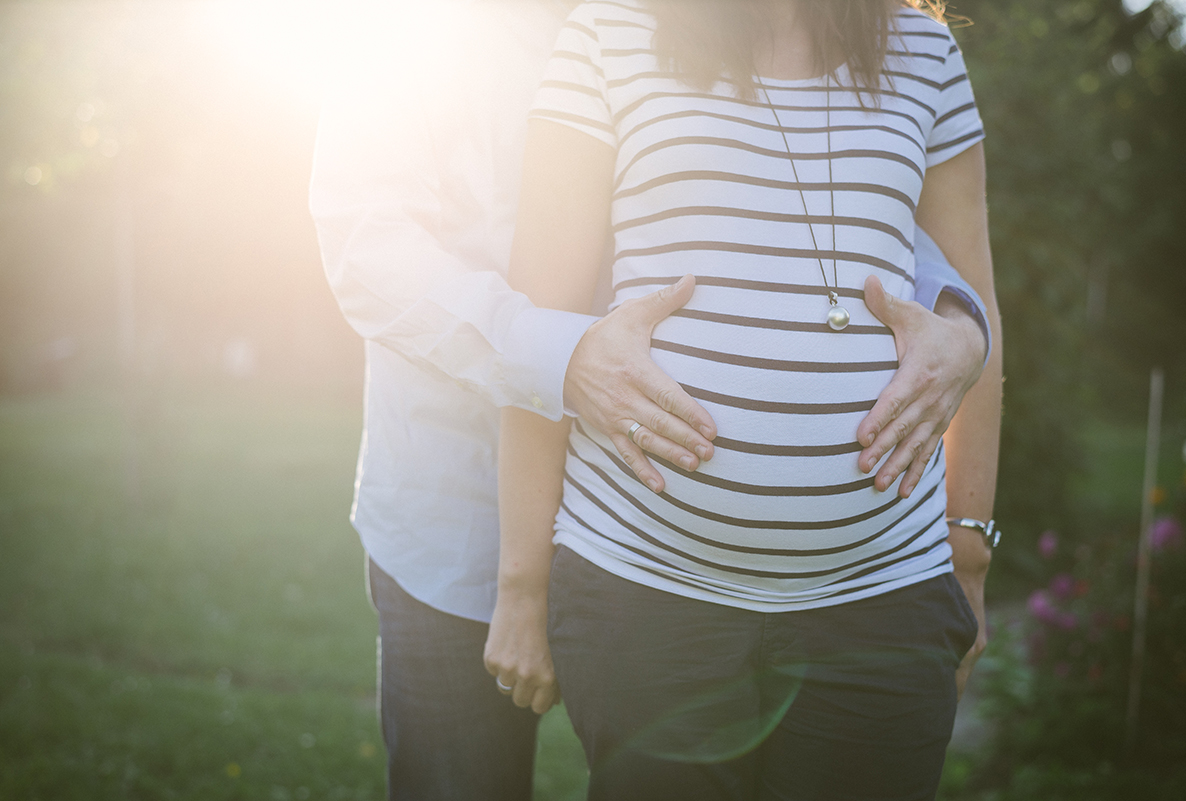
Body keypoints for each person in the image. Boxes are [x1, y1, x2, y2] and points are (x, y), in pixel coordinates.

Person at [311, 1, 992, 798]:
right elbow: (368, 249)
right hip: (465, 506)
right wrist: (561, 358)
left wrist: (959, 321)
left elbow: (827, 187)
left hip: (647, 526)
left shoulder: (716, 20)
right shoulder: (425, 32)